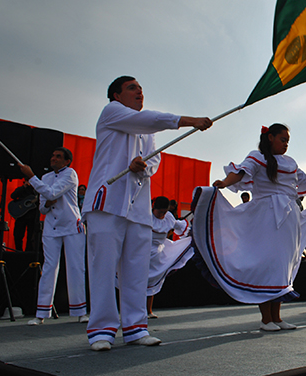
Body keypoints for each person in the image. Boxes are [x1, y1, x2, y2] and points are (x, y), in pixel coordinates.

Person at [81, 76, 212, 351]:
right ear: (116, 96)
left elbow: (154, 159)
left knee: (136, 269)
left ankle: (135, 327)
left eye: (141, 89)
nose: (139, 92)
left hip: (138, 209)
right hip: (108, 203)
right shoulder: (111, 113)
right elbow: (153, 119)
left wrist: (144, 167)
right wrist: (190, 120)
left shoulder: (147, 131)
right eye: (132, 88)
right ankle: (101, 331)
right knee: (103, 267)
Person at [192, 124, 306, 331]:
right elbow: (240, 173)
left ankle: (277, 317)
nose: (285, 144)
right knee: (267, 263)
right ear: (270, 138)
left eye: (287, 141)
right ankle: (266, 319)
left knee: (282, 264)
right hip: (265, 214)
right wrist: (223, 183)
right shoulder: (258, 157)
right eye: (282, 139)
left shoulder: (290, 162)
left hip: (289, 216)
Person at [18, 147, 88, 325]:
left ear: (66, 161)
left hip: (72, 226)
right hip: (51, 228)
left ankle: (80, 311)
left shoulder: (70, 174)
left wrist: (31, 176)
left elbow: (51, 193)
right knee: (49, 268)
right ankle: (41, 313)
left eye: (58, 157)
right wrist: (47, 202)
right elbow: (42, 207)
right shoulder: (46, 178)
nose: (53, 159)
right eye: (53, 156)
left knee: (75, 267)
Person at [146, 196, 191, 318]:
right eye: (159, 212)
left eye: (164, 212)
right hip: (142, 250)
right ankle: (135, 311)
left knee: (152, 281)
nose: (162, 214)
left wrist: (191, 232)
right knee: (138, 282)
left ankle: (149, 311)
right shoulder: (145, 216)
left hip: (159, 251)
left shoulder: (169, 217)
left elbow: (178, 225)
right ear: (153, 208)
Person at [9, 180, 39, 252]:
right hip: (21, 216)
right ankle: (18, 250)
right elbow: (13, 196)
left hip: (32, 217)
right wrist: (24, 187)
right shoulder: (22, 189)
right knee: (18, 235)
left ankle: (28, 252)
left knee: (30, 236)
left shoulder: (37, 191)